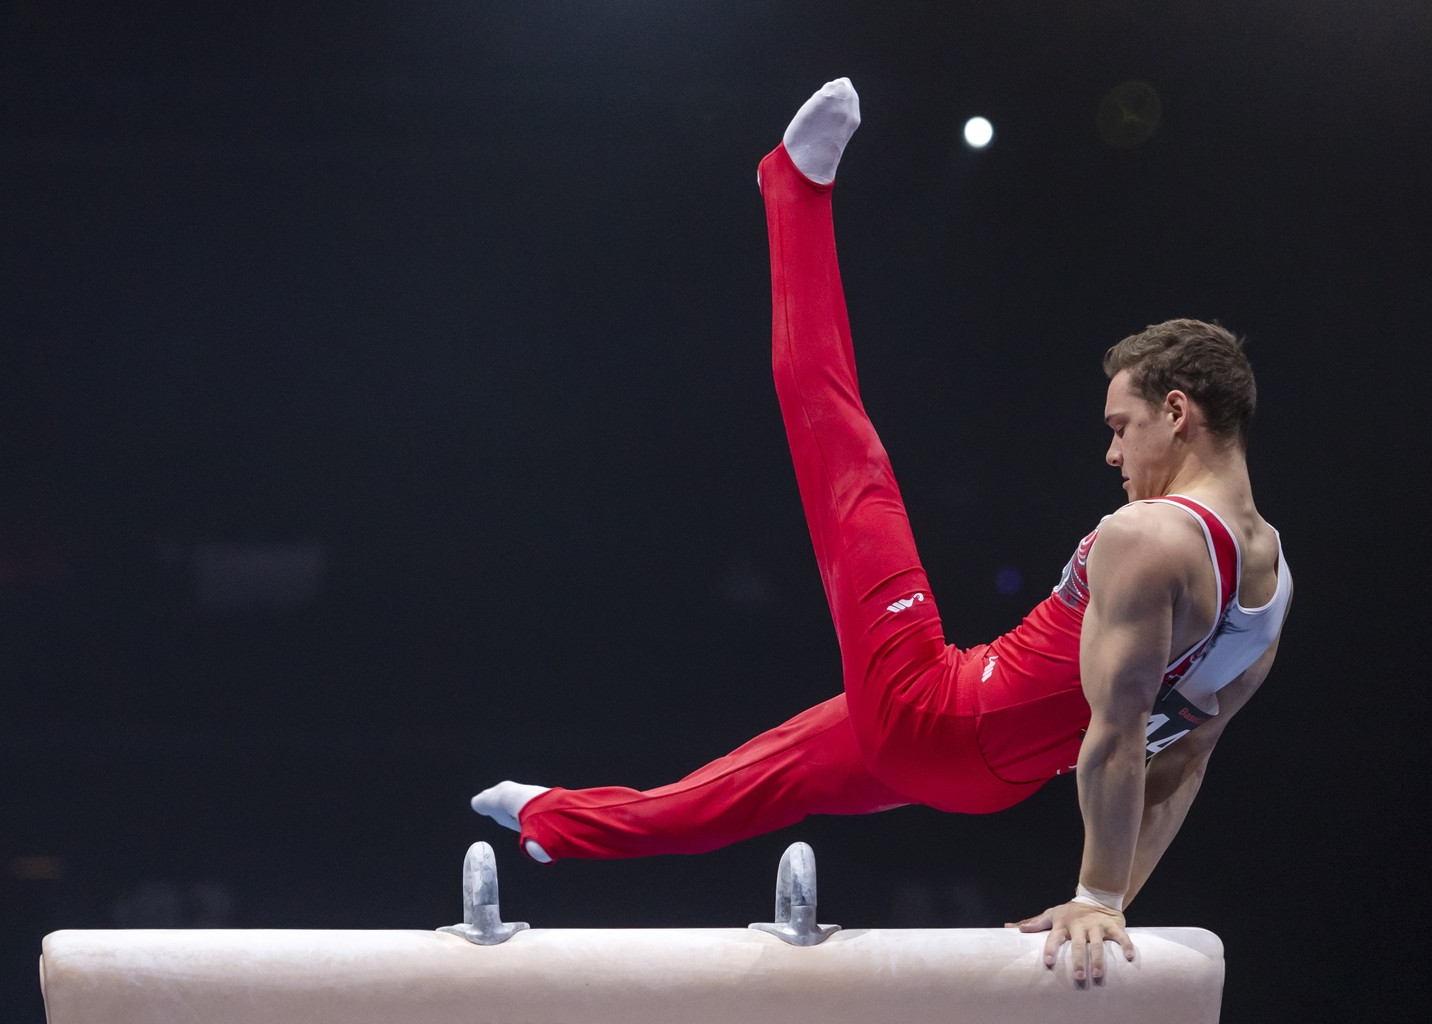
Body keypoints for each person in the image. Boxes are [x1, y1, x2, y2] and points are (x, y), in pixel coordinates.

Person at [472, 79, 1292, 984]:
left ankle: (793, 187)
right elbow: (1189, 761)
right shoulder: (1271, 585)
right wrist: (1115, 896)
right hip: (982, 766)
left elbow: (1122, 734)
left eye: (1119, 426)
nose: (1110, 454)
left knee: (842, 445)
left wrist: (1097, 896)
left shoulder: (1150, 535)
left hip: (938, 711)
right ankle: (559, 826)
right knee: (759, 779)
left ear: (1177, 412)